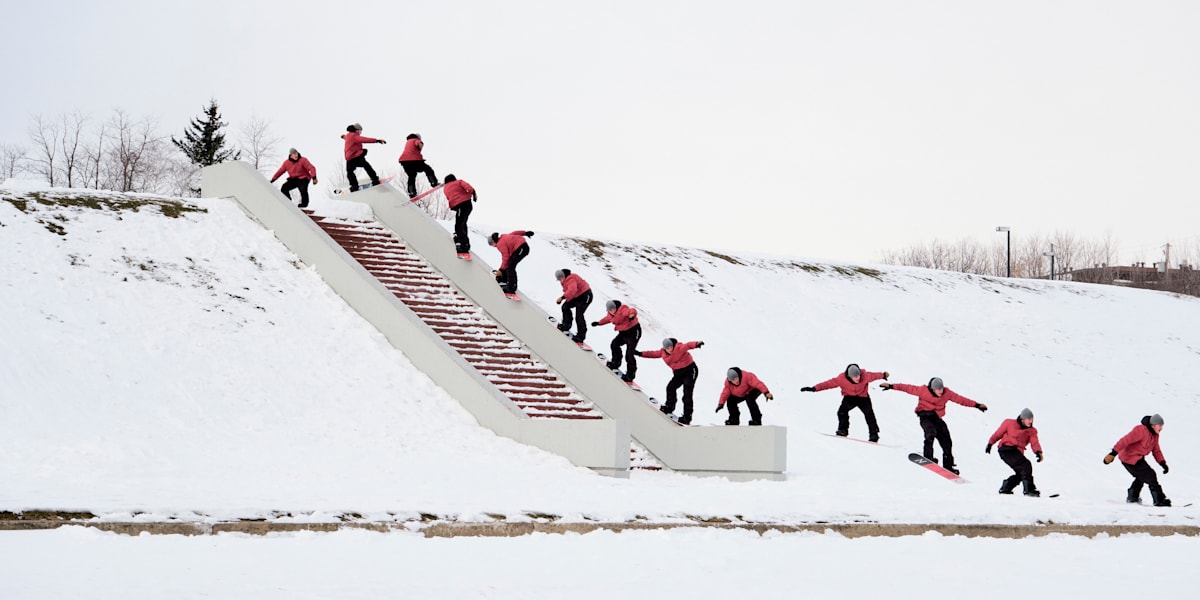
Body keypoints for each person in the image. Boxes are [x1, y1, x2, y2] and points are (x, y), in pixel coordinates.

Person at [880, 377, 988, 475]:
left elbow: (961, 399)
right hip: (925, 416)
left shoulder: (947, 393)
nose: (940, 391)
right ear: (932, 389)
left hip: (937, 418)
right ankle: (928, 456)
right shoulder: (923, 391)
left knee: (947, 440)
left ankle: (948, 465)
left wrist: (977, 405)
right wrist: (891, 386)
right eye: (938, 389)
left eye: (941, 389)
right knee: (930, 432)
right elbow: (907, 388)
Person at [800, 363, 889, 442]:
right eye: (855, 376)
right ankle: (843, 430)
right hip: (849, 397)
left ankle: (874, 434)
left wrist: (883, 375)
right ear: (850, 376)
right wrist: (814, 388)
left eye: (858, 375)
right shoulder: (841, 379)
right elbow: (828, 384)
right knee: (841, 412)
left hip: (863, 397)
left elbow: (875, 375)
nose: (858, 378)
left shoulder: (865, 375)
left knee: (869, 415)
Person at [1104, 414, 1171, 507]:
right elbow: (1125, 440)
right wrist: (1113, 453)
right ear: (1153, 425)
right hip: (1128, 458)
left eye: (1162, 426)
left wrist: (1162, 463)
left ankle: (1132, 496)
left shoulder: (1155, 435)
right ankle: (1159, 500)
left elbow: (1156, 450)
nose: (1161, 428)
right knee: (1150, 475)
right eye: (1160, 425)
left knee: (1142, 476)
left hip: (1138, 458)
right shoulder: (1141, 430)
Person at [636, 338, 703, 425]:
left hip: (690, 371)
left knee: (687, 394)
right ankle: (669, 407)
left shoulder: (678, 347)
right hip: (679, 373)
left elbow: (688, 345)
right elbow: (653, 354)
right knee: (670, 388)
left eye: (671, 347)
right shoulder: (662, 353)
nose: (670, 349)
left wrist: (697, 344)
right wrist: (640, 353)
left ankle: (687, 418)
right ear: (664, 349)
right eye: (667, 348)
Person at [986, 408, 1043, 497]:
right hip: (1006, 450)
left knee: (1022, 473)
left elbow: (1034, 442)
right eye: (1028, 419)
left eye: (1032, 419)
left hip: (1017, 452)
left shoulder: (1032, 431)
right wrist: (990, 444)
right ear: (1022, 419)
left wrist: (1038, 452)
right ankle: (1029, 490)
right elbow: (998, 434)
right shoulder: (1009, 423)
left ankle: (1006, 488)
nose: (1031, 421)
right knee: (1026, 465)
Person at [591, 300, 641, 383]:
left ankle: (630, 375)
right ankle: (615, 363)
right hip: (624, 333)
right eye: (610, 310)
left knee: (629, 354)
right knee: (614, 344)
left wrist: (632, 315)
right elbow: (606, 319)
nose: (612, 311)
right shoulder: (610, 315)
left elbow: (632, 310)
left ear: (616, 307)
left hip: (634, 332)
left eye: (613, 309)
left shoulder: (622, 310)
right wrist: (598, 323)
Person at [341, 123, 386, 192]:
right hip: (355, 156)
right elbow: (365, 139)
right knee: (366, 165)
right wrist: (377, 140)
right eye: (360, 131)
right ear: (356, 130)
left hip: (349, 158)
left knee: (350, 172)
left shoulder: (348, 135)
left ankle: (354, 186)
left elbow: (345, 137)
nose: (360, 132)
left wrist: (342, 136)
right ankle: (375, 179)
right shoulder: (354, 136)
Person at [554, 269, 592, 343]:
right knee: (565, 307)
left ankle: (581, 336)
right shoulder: (565, 281)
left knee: (579, 315)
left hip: (586, 296)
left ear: (564, 276)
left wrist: (562, 298)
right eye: (559, 280)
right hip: (577, 296)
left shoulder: (571, 279)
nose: (560, 281)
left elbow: (572, 290)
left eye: (561, 279)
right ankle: (566, 325)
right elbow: (570, 292)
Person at [442, 174, 476, 255]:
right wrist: (473, 194)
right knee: (462, 223)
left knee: (459, 225)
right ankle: (465, 242)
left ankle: (463, 243)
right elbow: (469, 188)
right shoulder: (459, 181)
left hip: (460, 205)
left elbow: (449, 198)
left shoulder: (445, 188)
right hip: (467, 204)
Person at [398, 133, 438, 198]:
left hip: (404, 161)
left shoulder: (408, 141)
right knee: (427, 169)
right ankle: (433, 182)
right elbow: (420, 143)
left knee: (411, 176)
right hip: (414, 161)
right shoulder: (415, 139)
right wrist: (420, 146)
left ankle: (411, 192)